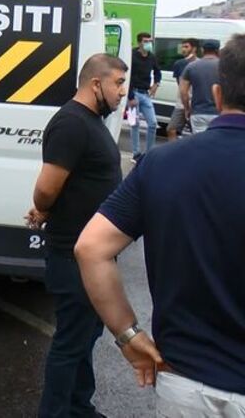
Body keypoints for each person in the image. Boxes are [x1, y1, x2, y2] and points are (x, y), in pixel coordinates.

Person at [75, 34, 245, 417]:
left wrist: (128, 336)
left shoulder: (162, 164)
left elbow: (91, 248)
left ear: (217, 95)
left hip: (183, 382)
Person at [26, 53, 129, 418]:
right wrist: (42, 208)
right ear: (95, 83)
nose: (122, 93)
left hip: (93, 255)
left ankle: (78, 407)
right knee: (72, 340)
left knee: (86, 336)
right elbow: (47, 187)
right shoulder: (71, 123)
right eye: (117, 83)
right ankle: (54, 412)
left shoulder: (89, 122)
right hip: (73, 254)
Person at [127, 32, 162, 162]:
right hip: (133, 93)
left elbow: (158, 72)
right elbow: (127, 76)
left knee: (153, 123)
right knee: (134, 124)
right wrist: (130, 97)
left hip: (145, 94)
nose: (148, 43)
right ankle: (136, 153)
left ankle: (149, 153)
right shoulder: (131, 55)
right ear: (139, 43)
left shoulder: (152, 57)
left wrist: (156, 84)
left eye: (150, 41)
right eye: (146, 41)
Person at [180, 40, 221, 133]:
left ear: (202, 50)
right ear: (217, 50)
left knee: (200, 144)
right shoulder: (225, 66)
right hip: (219, 113)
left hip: (198, 112)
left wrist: (187, 109)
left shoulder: (191, 66)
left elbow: (183, 92)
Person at [166, 38, 199, 141]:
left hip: (195, 103)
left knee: (196, 132)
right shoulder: (179, 64)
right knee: (171, 129)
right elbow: (179, 84)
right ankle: (174, 152)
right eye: (182, 47)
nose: (183, 49)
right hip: (181, 103)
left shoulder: (199, 64)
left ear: (194, 49)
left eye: (186, 47)